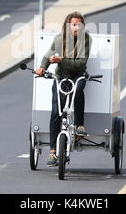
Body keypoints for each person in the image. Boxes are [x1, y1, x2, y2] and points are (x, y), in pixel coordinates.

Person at [36, 12, 92, 167]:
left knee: (79, 89)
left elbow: (81, 64)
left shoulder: (86, 39)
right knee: (56, 113)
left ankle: (80, 125)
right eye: (73, 24)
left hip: (77, 75)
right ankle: (53, 152)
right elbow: (48, 55)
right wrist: (42, 67)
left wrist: (61, 60)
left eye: (79, 24)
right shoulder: (60, 39)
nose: (76, 27)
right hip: (61, 77)